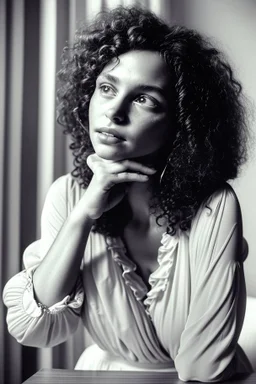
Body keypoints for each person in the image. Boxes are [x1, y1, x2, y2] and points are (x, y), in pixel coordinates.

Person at [3, 5, 253, 382]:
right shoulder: (68, 197)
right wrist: (84, 214)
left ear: (182, 123)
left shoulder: (214, 207)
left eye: (144, 100)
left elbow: (205, 368)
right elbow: (34, 329)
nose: (114, 112)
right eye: (106, 88)